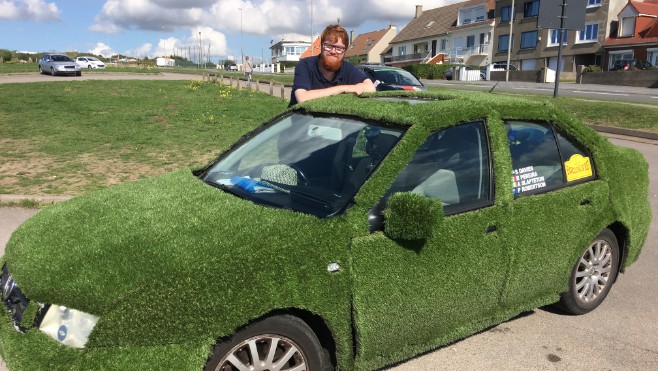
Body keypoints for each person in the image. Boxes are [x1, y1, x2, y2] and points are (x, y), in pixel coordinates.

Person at [289, 24, 375, 106]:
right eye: (328, 46)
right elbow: (302, 98)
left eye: (339, 48)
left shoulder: (347, 68)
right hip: (302, 120)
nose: (333, 51)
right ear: (321, 46)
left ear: (344, 51)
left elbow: (371, 88)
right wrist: (342, 89)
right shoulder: (305, 65)